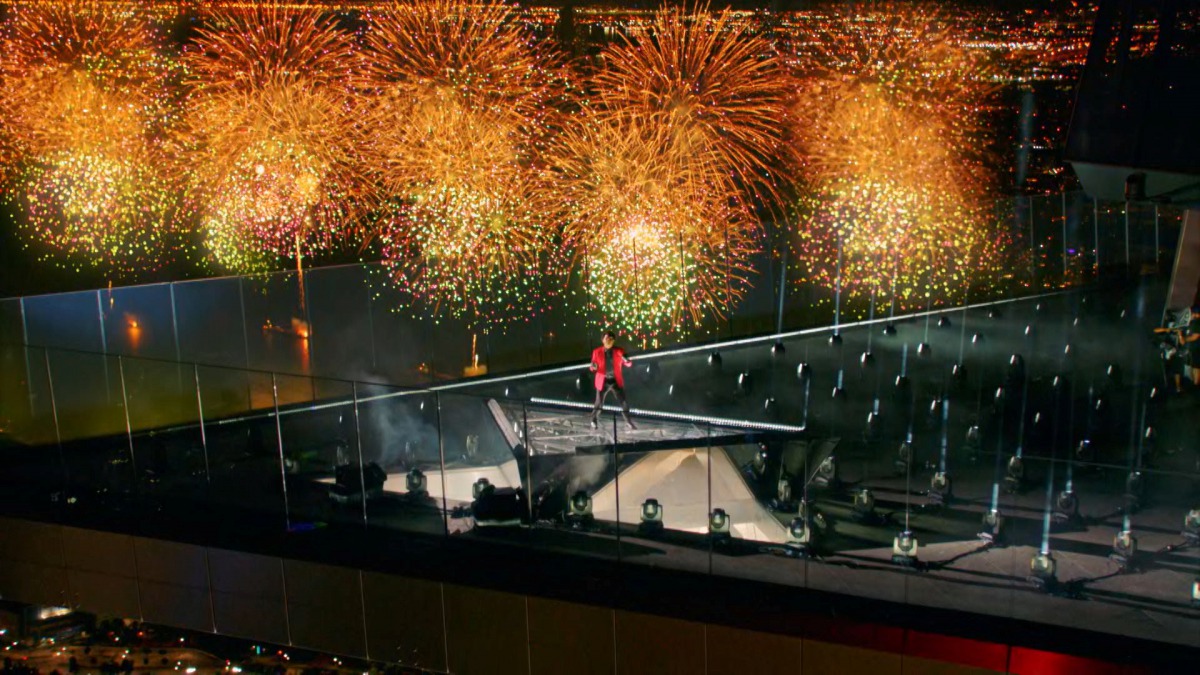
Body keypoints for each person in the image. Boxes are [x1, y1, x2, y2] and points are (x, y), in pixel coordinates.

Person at [590, 331, 635, 429]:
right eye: (606, 338)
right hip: (603, 380)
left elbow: (628, 363)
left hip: (615, 380)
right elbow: (593, 366)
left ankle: (628, 421)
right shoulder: (597, 352)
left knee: (624, 402)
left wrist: (627, 361)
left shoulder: (619, 351)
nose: (608, 340)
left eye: (611, 339)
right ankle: (594, 420)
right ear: (602, 340)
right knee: (599, 403)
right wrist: (593, 367)